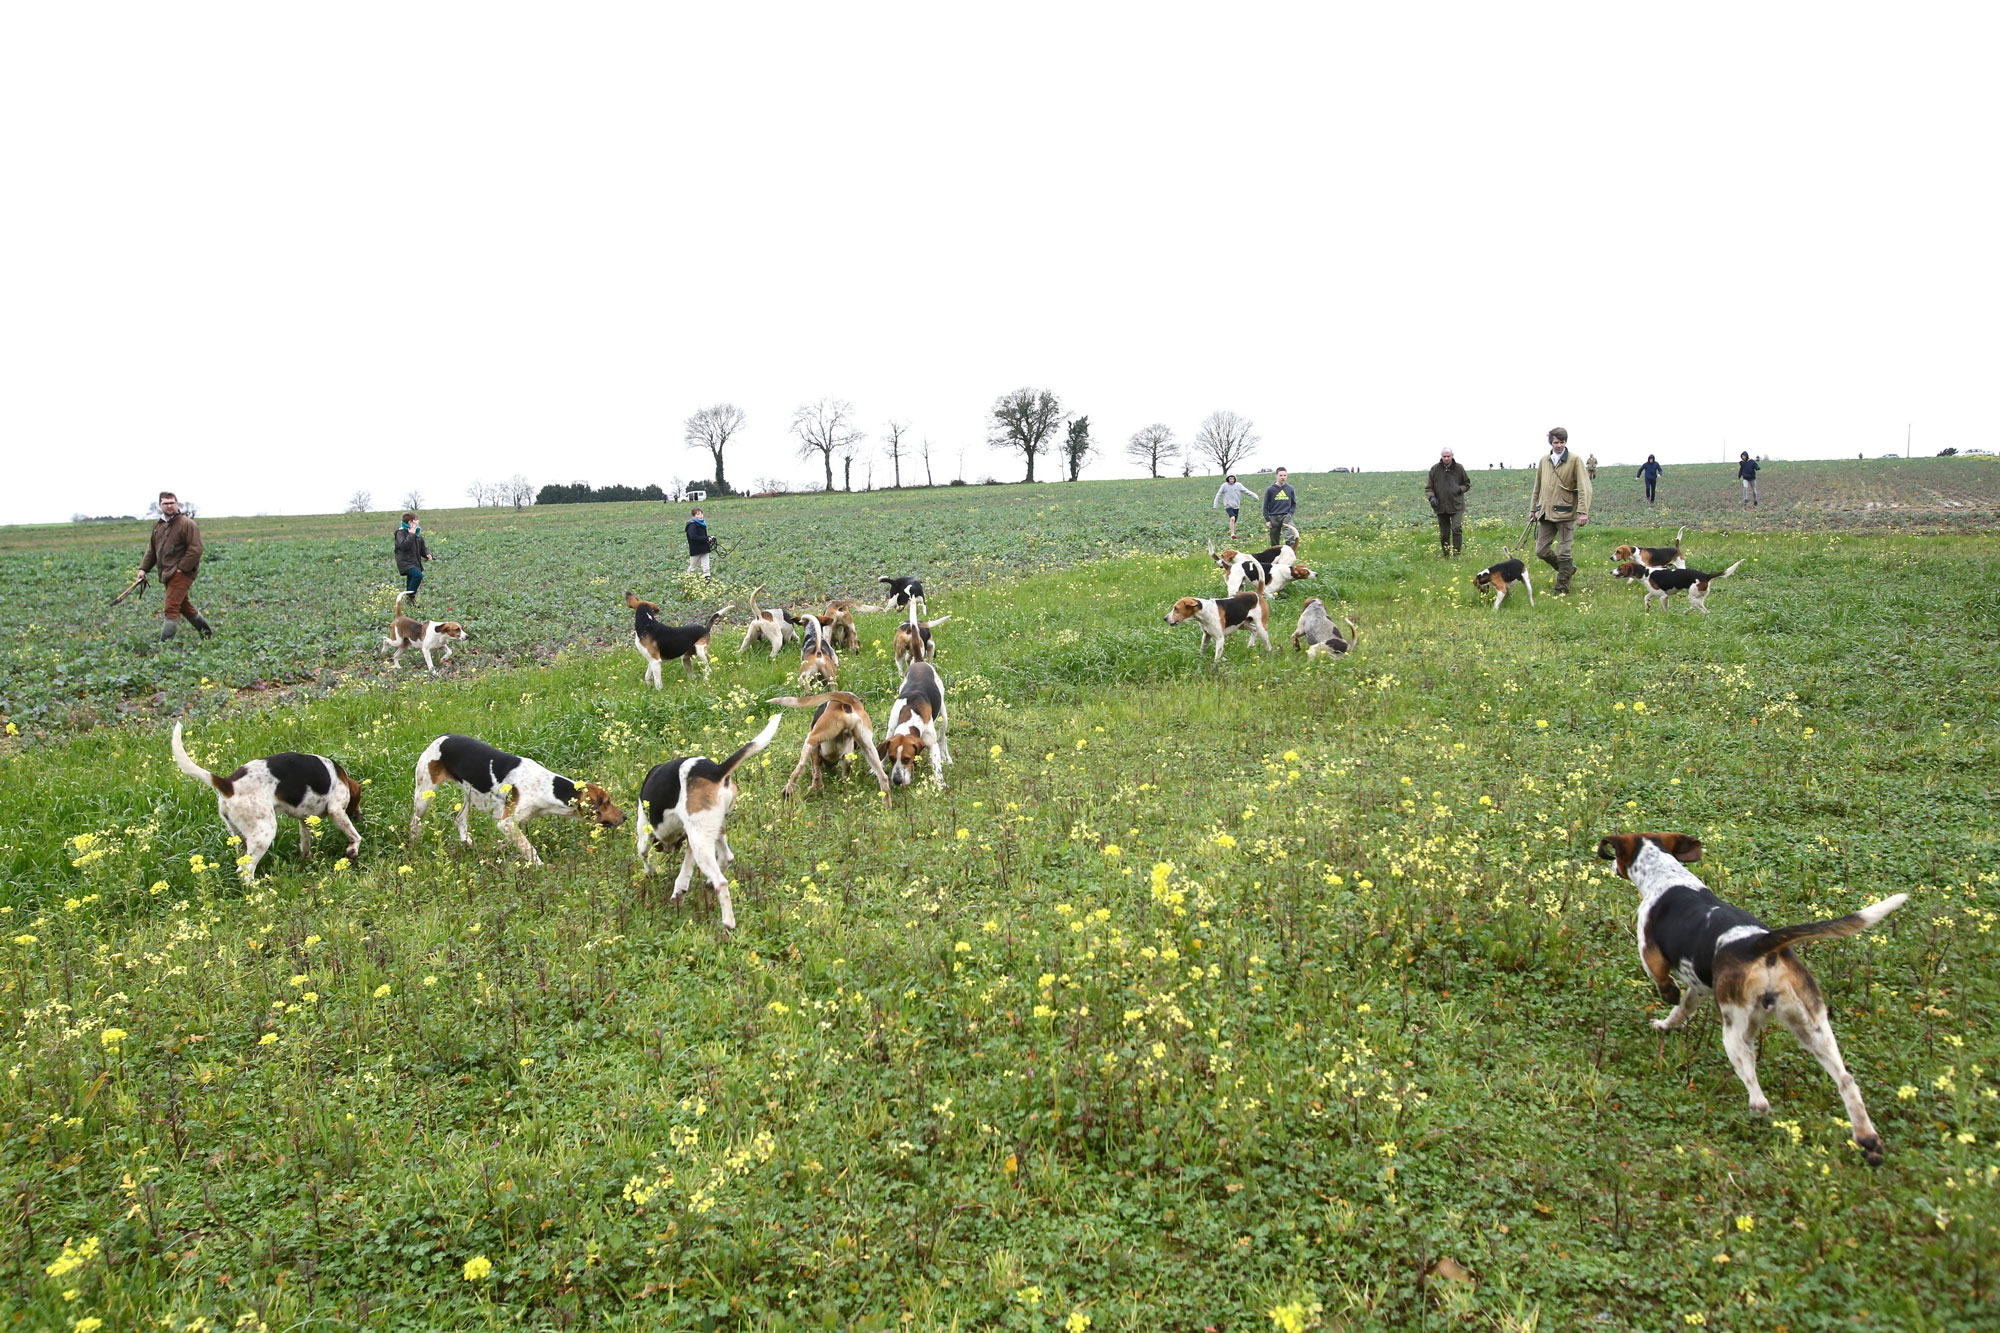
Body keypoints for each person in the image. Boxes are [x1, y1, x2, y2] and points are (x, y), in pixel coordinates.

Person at [138, 491, 211, 640]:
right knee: (184, 606)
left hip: (182, 573)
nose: (169, 506)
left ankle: (165, 645)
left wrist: (181, 569)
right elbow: (152, 550)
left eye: (172, 503)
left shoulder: (186, 524)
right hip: (166, 573)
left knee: (171, 607)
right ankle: (207, 634)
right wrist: (143, 569)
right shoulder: (158, 526)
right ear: (160, 505)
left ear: (177, 504)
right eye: (165, 503)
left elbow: (196, 549)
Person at [1527, 427, 1591, 595]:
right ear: (1551, 442)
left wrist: (1583, 511)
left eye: (1562, 442)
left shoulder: (1575, 460)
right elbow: (1537, 487)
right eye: (1556, 442)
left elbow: (1584, 487)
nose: (1559, 445)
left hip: (1566, 513)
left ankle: (1561, 588)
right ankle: (1568, 569)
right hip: (1545, 513)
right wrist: (1533, 509)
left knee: (1564, 552)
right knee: (1540, 551)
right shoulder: (1544, 460)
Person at [1424, 448, 1472, 557]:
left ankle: (1457, 554)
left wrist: (1460, 489)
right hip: (1441, 506)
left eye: (1448, 456)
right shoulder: (1435, 469)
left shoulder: (1459, 468)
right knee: (1444, 534)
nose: (1446, 458)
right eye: (1444, 456)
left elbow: (1467, 484)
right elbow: (1428, 488)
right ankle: (1446, 555)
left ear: (1452, 456)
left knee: (1456, 528)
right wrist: (1431, 498)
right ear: (1441, 456)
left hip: (1456, 505)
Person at [393, 512, 432, 601]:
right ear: (410, 522)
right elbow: (404, 546)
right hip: (405, 562)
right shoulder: (400, 533)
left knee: (411, 581)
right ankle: (411, 597)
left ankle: (410, 602)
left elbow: (422, 547)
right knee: (418, 576)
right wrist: (411, 534)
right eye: (416, 520)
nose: (418, 521)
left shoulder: (417, 534)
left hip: (415, 562)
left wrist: (427, 554)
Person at [1262, 467, 1298, 547]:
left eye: (1285, 475)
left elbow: (1294, 504)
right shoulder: (1270, 489)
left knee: (1290, 538)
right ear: (1276, 476)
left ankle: (1291, 557)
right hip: (1273, 517)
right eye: (1281, 475)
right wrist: (1267, 520)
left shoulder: (1290, 489)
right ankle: (1276, 558)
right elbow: (1265, 506)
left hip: (1286, 516)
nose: (1283, 477)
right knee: (1274, 541)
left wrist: (1290, 514)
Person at [1212, 474, 1252, 539]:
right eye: (1230, 479)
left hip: (1236, 506)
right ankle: (1232, 534)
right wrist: (1215, 504)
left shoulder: (1238, 485)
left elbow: (1246, 491)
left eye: (1233, 479)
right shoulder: (1224, 486)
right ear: (1228, 479)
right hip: (1228, 505)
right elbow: (1218, 494)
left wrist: (1255, 496)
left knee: (1234, 521)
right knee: (1232, 518)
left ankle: (1233, 535)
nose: (1232, 480)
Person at [685, 506, 713, 577]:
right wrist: (706, 538)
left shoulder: (702, 524)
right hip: (696, 549)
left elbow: (702, 535)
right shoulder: (692, 525)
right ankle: (688, 578)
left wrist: (709, 537)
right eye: (698, 514)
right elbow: (693, 537)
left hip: (704, 548)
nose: (700, 516)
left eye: (701, 514)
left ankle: (707, 578)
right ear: (693, 516)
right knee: (693, 566)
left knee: (706, 566)